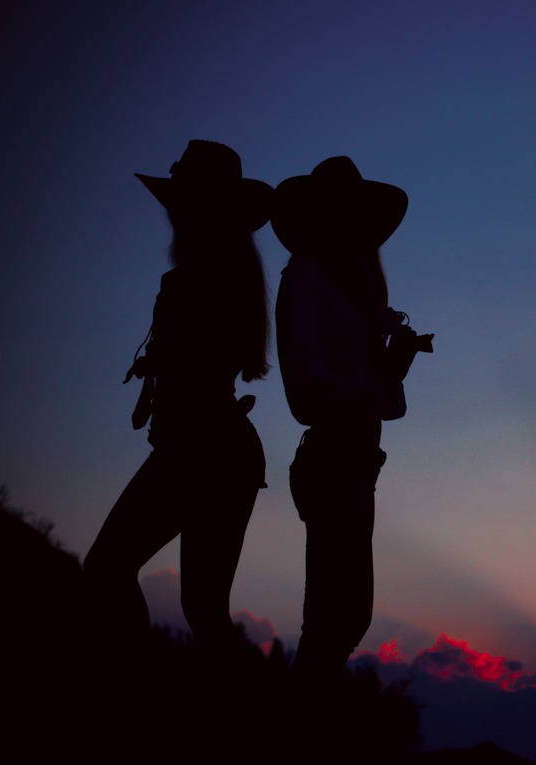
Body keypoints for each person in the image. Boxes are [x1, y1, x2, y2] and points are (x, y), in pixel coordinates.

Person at [83, 140, 272, 665]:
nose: (173, 215)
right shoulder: (228, 278)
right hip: (222, 450)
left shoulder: (195, 281)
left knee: (107, 568)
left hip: (198, 449)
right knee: (204, 608)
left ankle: (132, 687)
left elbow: (192, 370)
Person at [272, 156, 431, 681]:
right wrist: (375, 381)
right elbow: (307, 390)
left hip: (358, 460)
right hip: (334, 458)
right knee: (333, 620)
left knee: (346, 618)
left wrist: (393, 364)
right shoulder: (305, 276)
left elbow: (377, 397)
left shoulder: (359, 289)